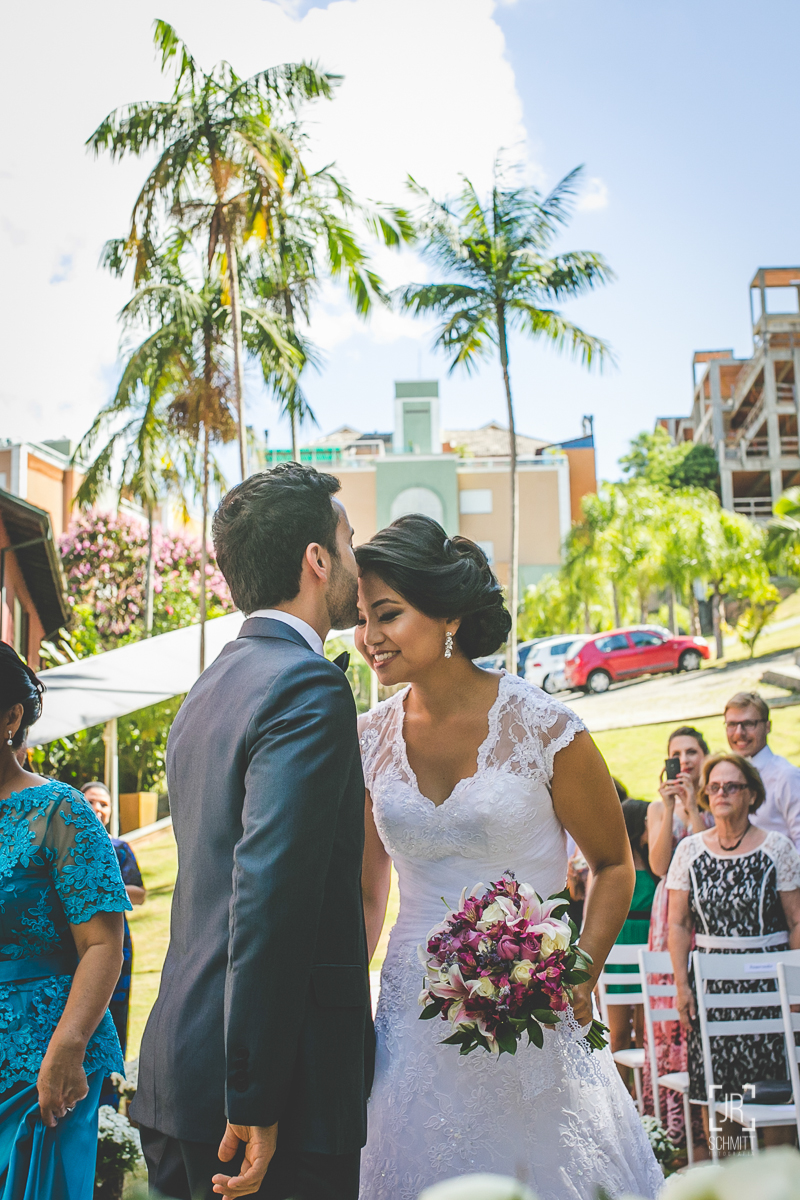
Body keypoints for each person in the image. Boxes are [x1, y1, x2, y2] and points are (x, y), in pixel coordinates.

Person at [355, 516, 662, 1200]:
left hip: (536, 1009)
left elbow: (614, 865)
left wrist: (576, 977)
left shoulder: (544, 726)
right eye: (360, 617)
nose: (368, 637)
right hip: (411, 1014)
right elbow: (369, 894)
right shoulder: (366, 740)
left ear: (450, 617)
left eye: (388, 615)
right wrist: (350, 995)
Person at [131, 464, 374, 1200]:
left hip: (179, 1068)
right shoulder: (304, 686)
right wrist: (257, 1097)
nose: (357, 565)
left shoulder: (207, 689)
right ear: (316, 559)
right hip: (266, 1101)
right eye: (349, 541)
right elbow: (266, 899)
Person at [0, 643, 130, 1199]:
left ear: (11, 717)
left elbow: (103, 943)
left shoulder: (59, 810)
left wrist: (68, 1045)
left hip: (44, 1063)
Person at [667, 752, 800, 1146]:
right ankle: (730, 1179)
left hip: (768, 988)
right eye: (715, 787)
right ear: (705, 795)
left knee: (774, 1093)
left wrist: (795, 988)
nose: (722, 793)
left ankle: (781, 1178)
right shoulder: (689, 850)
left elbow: (796, 921)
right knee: (722, 1096)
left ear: (752, 794)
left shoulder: (777, 848)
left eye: (732, 786)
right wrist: (681, 987)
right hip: (711, 990)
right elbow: (678, 924)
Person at [643, 726, 713, 1150]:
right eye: (676, 754)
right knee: (670, 1015)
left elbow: (705, 852)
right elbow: (658, 864)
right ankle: (675, 1126)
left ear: (704, 757)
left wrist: (691, 807)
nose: (684, 760)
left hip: (703, 913)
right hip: (668, 911)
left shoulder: (717, 802)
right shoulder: (656, 808)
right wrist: (669, 807)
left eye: (691, 752)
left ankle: (711, 1127)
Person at [81, 781, 146, 1102]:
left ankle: (110, 1094)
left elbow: (139, 893)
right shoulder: (70, 844)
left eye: (104, 803)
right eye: (91, 801)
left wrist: (103, 884)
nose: (97, 808)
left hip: (117, 944)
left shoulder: (119, 848)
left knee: (114, 1012)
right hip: (74, 945)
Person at [605, 799, 658, 1081]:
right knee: (619, 1033)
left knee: (645, 1030)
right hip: (620, 944)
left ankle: (645, 1097)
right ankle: (622, 1092)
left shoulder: (656, 864)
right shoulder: (613, 863)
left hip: (648, 942)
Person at [724, 690, 800, 850]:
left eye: (748, 724)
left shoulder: (786, 777)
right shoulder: (723, 777)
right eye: (732, 724)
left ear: (767, 726)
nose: (739, 733)